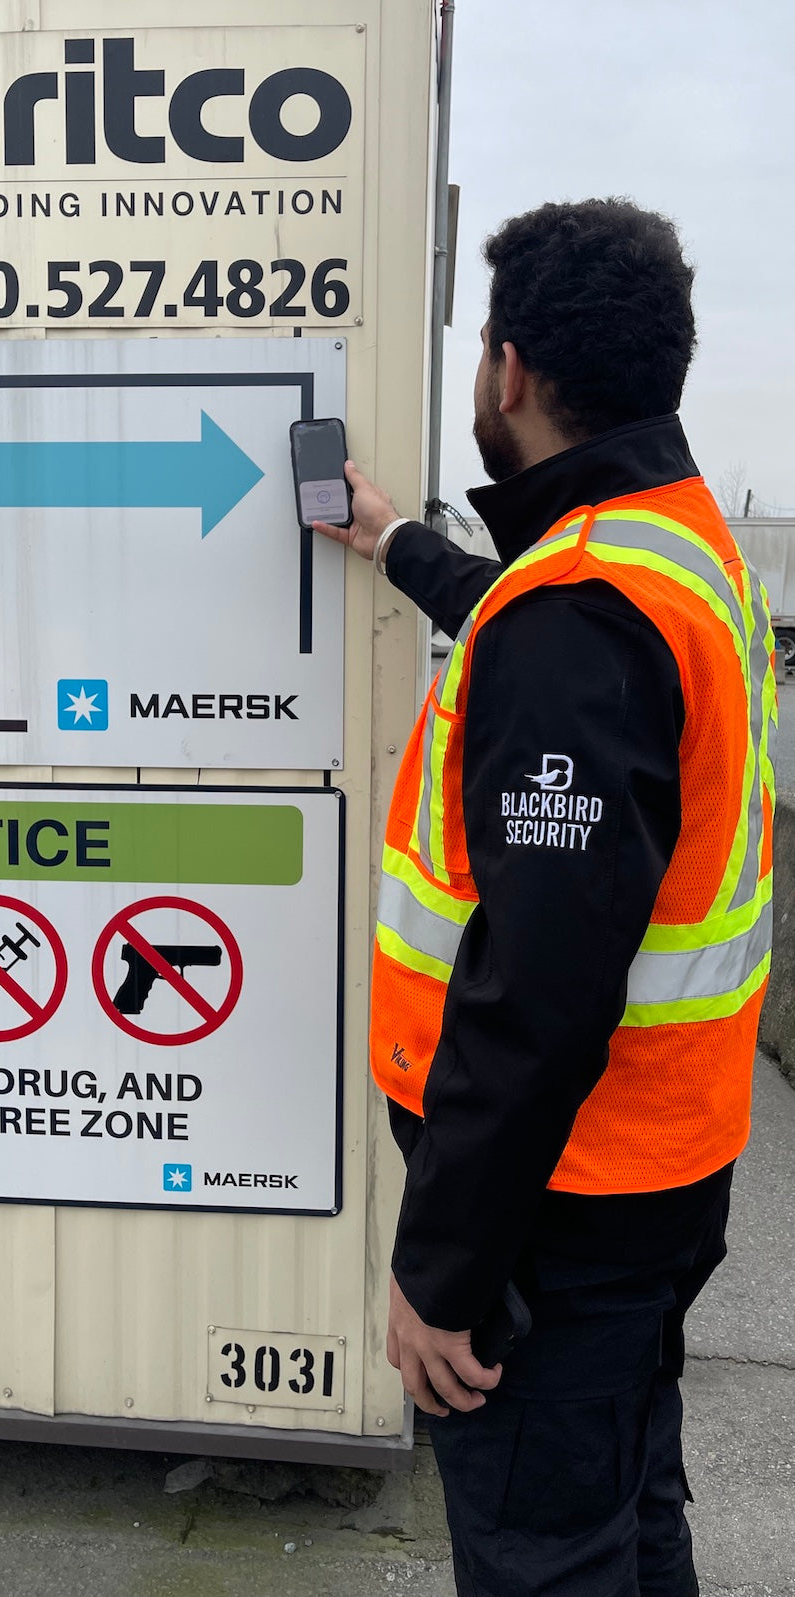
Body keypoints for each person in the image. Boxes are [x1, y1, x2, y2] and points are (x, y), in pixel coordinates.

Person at [313, 198, 776, 1597]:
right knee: (626, 1504)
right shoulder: (676, 547)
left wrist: (439, 1272)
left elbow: (540, 1001)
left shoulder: (580, 610)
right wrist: (399, 543)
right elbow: (528, 613)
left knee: (546, 1554)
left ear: (508, 370)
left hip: (563, 1207)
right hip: (663, 1168)